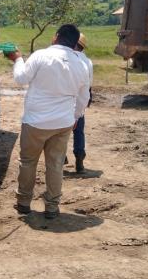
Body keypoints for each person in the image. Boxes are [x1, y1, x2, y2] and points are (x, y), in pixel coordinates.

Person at [6, 24, 91, 219]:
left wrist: (17, 58)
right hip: (63, 123)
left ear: (56, 37)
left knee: (28, 162)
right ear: (75, 42)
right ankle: (52, 207)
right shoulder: (82, 64)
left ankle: (23, 203)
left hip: (35, 122)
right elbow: (83, 97)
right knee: (55, 164)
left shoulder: (40, 56)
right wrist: (76, 117)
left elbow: (20, 78)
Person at [72, 32, 93, 173]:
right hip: (81, 100)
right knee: (79, 131)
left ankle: (60, 159)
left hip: (64, 101)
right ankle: (79, 161)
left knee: (59, 133)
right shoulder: (88, 62)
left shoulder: (65, 59)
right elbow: (89, 85)